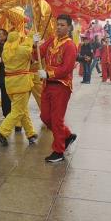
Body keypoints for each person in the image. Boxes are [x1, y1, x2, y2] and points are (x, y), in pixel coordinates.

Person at [38, 15, 77, 163]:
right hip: (47, 85)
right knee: (45, 117)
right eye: (58, 24)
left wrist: (49, 73)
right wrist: (35, 43)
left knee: (56, 119)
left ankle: (59, 150)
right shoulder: (50, 39)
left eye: (62, 25)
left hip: (61, 86)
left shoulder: (70, 45)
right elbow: (37, 54)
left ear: (69, 27)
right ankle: (66, 135)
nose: (59, 27)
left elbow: (67, 68)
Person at [0, 30, 38, 146]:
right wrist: (31, 38)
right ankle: (3, 130)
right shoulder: (22, 50)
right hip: (21, 84)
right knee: (18, 111)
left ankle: (30, 133)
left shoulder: (5, 51)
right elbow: (29, 49)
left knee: (22, 110)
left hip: (10, 84)